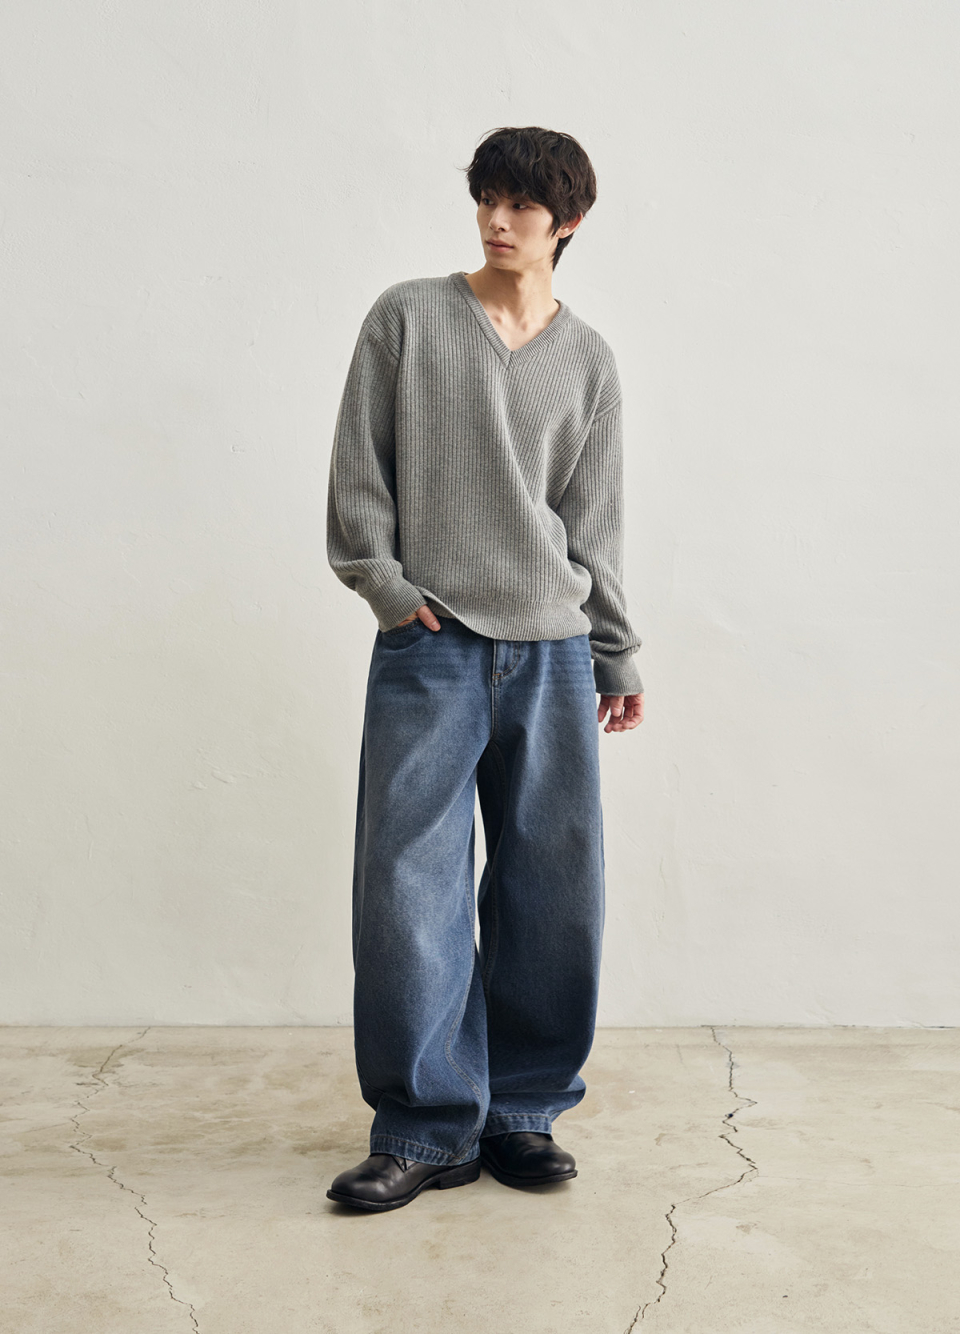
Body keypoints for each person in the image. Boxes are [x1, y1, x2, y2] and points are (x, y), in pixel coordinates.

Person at [324, 125, 644, 1212]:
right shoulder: (408, 318)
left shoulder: (589, 361)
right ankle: (424, 1126)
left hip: (553, 650)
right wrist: (386, 588)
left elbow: (594, 525)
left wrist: (614, 650)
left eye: (521, 206)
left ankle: (522, 1111)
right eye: (487, 200)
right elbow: (359, 473)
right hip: (433, 642)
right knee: (406, 887)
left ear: (569, 223)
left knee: (553, 886)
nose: (497, 221)